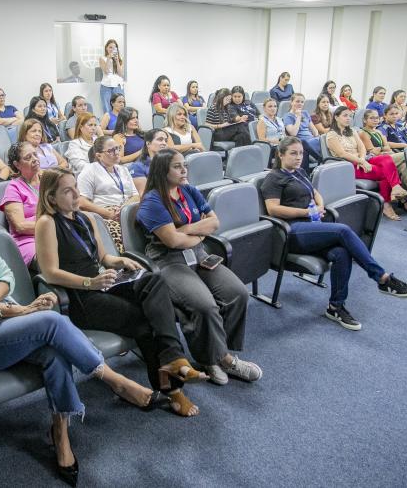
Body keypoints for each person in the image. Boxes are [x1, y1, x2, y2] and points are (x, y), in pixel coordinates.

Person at [0, 173, 154, 486]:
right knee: (50, 320)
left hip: (8, 322)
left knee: (54, 352)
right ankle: (114, 380)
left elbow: (6, 274)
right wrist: (22, 310)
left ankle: (61, 433)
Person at [36, 167, 206, 417]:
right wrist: (89, 283)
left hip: (103, 282)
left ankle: (174, 357)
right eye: (67, 190)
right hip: (81, 297)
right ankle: (172, 389)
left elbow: (103, 256)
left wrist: (119, 262)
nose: (76, 194)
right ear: (51, 198)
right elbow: (50, 273)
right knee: (144, 319)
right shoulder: (46, 223)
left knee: (153, 281)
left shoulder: (86, 217)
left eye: (76, 187)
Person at [261, 137, 407, 330]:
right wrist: (306, 212)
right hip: (291, 231)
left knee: (341, 253)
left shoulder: (300, 172)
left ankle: (336, 307)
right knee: (343, 231)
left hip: (311, 226)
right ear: (280, 154)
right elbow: (273, 209)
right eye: (293, 153)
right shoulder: (274, 177)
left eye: (301, 153)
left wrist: (319, 206)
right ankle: (382, 278)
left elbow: (315, 192)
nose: (298, 157)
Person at [136, 148, 262, 385]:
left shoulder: (188, 190)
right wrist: (196, 232)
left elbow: (214, 222)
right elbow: (172, 241)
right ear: (162, 170)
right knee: (205, 306)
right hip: (169, 261)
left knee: (238, 293)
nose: (184, 170)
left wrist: (186, 231)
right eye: (177, 166)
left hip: (198, 254)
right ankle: (216, 360)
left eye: (184, 165)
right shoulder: (152, 201)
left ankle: (221, 350)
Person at [326, 107, 407, 221]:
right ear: (336, 117)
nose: (348, 118)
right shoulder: (331, 135)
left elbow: (362, 147)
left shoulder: (352, 131)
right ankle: (387, 203)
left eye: (350, 116)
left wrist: (362, 158)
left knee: (385, 158)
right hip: (347, 165)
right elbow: (342, 154)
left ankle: (395, 188)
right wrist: (361, 161)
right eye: (345, 115)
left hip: (362, 159)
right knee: (386, 173)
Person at [76, 136, 139, 252]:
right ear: (99, 155)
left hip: (125, 210)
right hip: (104, 213)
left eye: (117, 148)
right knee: (118, 230)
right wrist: (109, 214)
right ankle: (125, 262)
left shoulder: (123, 170)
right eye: (111, 150)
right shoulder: (90, 170)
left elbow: (136, 195)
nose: (116, 153)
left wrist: (124, 208)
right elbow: (82, 202)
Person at [0, 142, 42, 270]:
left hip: (56, 234)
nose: (34, 159)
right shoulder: (13, 188)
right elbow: (20, 226)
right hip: (29, 241)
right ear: (17, 165)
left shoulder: (49, 180)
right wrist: (53, 225)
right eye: (28, 158)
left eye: (35, 154)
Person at [283, 93, 321, 172]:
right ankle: (321, 159)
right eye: (297, 101)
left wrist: (317, 137)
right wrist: (298, 117)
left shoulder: (305, 113)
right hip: (299, 141)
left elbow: (314, 130)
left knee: (324, 138)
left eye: (302, 102)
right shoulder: (287, 116)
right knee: (304, 143)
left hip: (311, 140)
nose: (300, 104)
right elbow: (293, 133)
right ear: (291, 102)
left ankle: (325, 159)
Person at [129, 129, 170, 193]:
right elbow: (144, 195)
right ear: (148, 144)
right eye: (160, 139)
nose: (164, 143)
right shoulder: (137, 167)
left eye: (166, 140)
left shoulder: (171, 163)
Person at [99, 38, 125, 115]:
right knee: (107, 108)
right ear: (106, 48)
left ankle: (120, 125)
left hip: (118, 86)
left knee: (120, 108)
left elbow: (120, 74)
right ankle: (108, 126)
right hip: (106, 87)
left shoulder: (120, 59)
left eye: (114, 47)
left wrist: (116, 60)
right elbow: (106, 71)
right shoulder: (102, 58)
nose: (112, 49)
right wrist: (109, 58)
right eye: (110, 47)